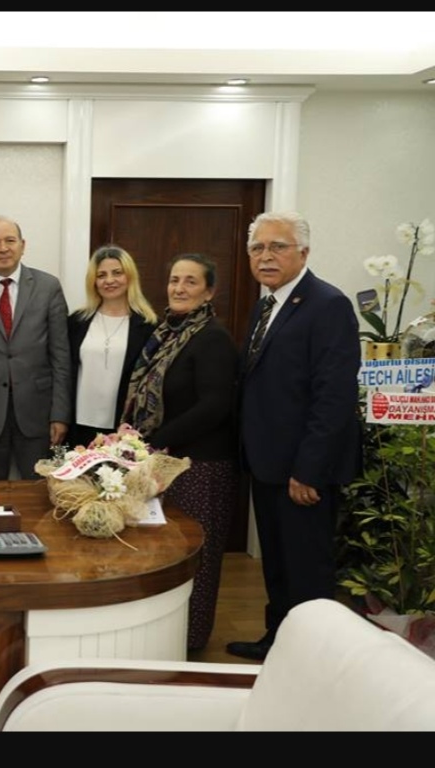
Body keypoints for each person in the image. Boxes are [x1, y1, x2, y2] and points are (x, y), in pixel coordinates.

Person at [227, 211, 362, 662]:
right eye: (257, 248)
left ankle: (313, 659)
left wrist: (309, 470)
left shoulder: (328, 304)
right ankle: (279, 641)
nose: (265, 256)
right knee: (279, 563)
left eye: (277, 246)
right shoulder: (267, 304)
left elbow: (334, 397)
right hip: (268, 463)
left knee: (307, 570)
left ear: (303, 252)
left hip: (303, 471)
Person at [122, 253, 239, 652]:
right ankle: (163, 636)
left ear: (209, 291)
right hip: (167, 461)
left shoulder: (212, 338)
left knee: (196, 558)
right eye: (175, 280)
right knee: (165, 552)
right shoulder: (166, 333)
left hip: (201, 465)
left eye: (191, 281)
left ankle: (190, 639)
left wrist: (156, 440)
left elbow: (214, 406)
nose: (180, 288)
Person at [0, 215, 71, 480]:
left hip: (38, 413)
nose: (3, 248)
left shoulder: (48, 287)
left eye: (10, 240)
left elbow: (61, 356)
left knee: (39, 493)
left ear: (23, 245)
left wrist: (60, 414)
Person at [67, 245, 157, 449]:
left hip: (123, 429)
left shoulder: (149, 326)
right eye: (101, 275)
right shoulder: (77, 322)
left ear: (130, 277)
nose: (109, 280)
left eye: (117, 273)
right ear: (93, 281)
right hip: (78, 425)